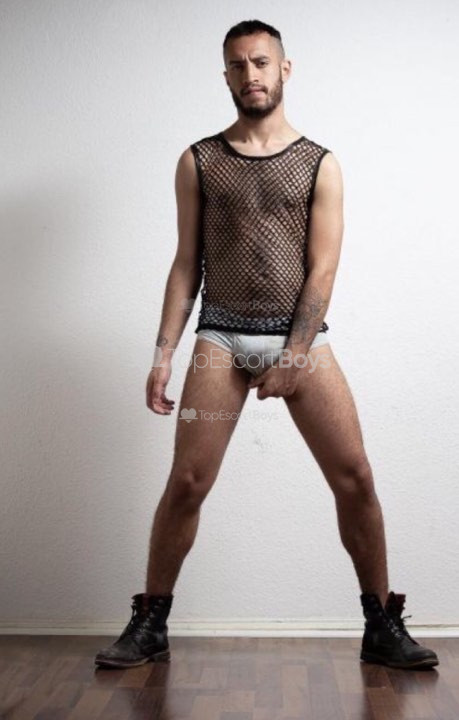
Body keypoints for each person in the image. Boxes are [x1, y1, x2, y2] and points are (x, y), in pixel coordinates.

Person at [94, 19, 439, 671]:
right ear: (225, 75)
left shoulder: (320, 163)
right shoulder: (199, 160)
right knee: (187, 481)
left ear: (284, 68)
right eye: (237, 65)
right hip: (219, 341)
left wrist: (294, 356)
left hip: (299, 339)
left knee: (355, 477)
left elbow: (323, 270)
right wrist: (164, 353)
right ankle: (149, 623)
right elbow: (185, 263)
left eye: (260, 62)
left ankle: (381, 625)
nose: (249, 74)